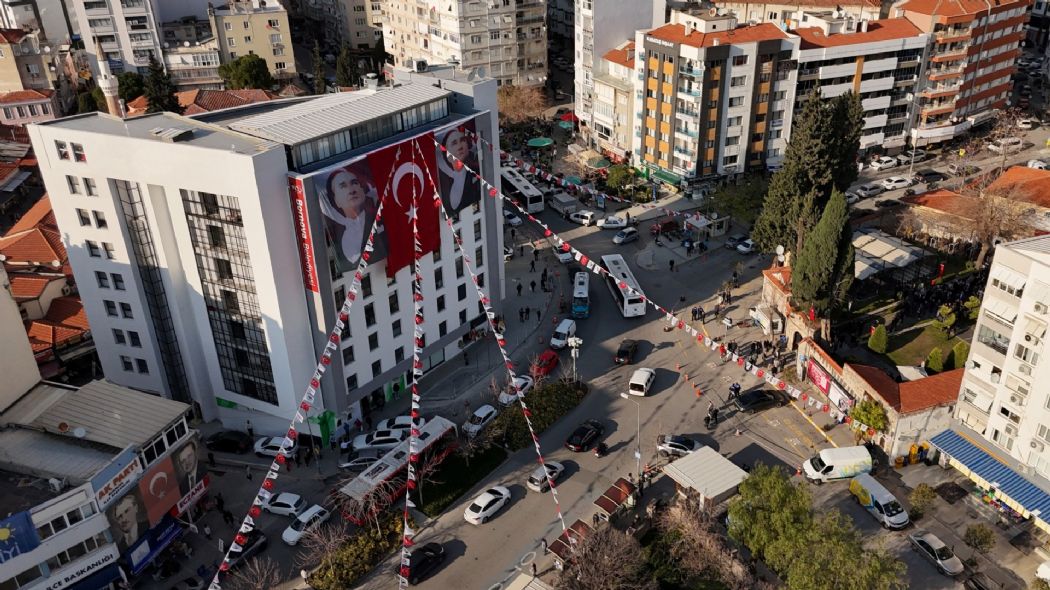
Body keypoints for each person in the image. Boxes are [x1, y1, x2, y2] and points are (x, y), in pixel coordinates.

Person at [318, 166, 379, 269]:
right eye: (343, 186)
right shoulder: (338, 229)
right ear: (336, 200)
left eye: (355, 183)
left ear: (362, 190)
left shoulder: (378, 217)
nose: (351, 190)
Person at [436, 126, 480, 212]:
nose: (460, 146)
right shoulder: (443, 178)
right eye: (454, 143)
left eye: (462, 140)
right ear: (446, 154)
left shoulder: (475, 168)